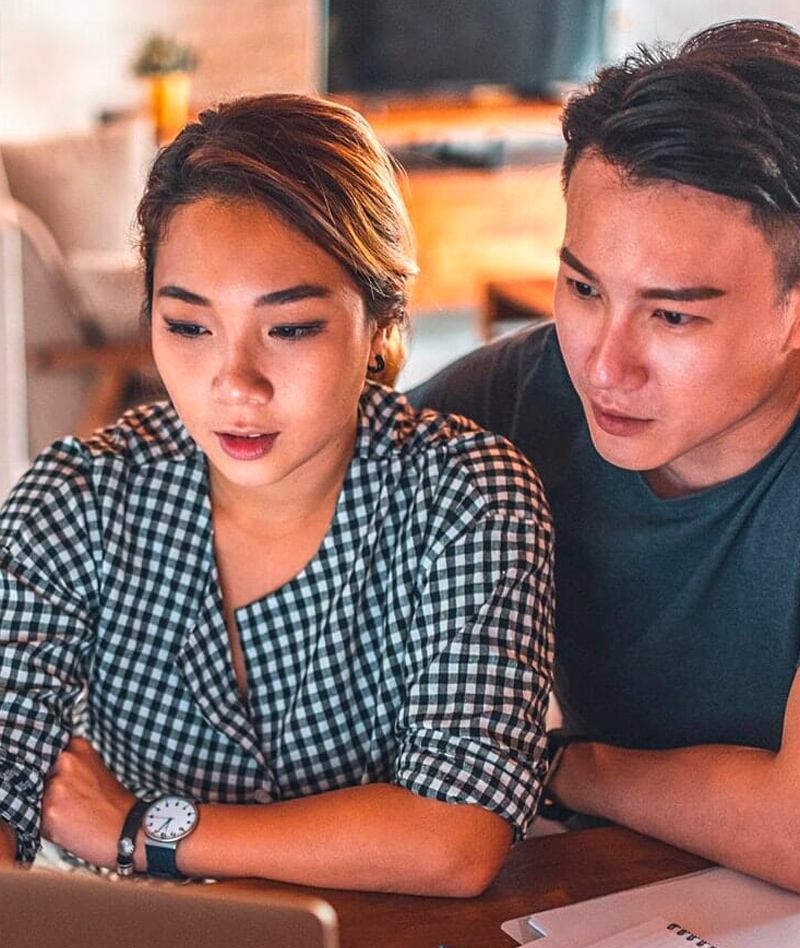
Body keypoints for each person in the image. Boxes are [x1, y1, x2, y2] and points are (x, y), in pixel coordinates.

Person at [411, 19, 800, 902]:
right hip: (628, 859)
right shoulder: (510, 397)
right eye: (584, 288)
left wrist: (554, 768)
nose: (601, 365)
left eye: (672, 316)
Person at [0, 94, 554, 896]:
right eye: (189, 327)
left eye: (290, 328)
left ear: (382, 321)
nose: (235, 384)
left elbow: (454, 837)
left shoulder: (468, 499)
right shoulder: (76, 498)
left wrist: (139, 829)